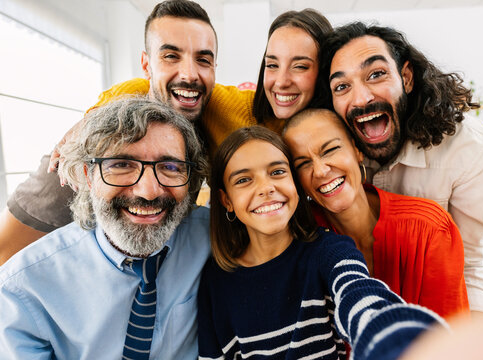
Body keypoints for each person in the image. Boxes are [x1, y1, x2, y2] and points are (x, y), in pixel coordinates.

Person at [0, 5, 332, 265]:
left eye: (203, 59)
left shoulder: (225, 109)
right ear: (147, 65)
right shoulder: (83, 155)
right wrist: (93, 118)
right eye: (170, 56)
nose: (189, 74)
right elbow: (6, 256)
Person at [198, 125, 445, 359]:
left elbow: (358, 294)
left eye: (277, 172)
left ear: (295, 183)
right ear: (226, 200)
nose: (266, 188)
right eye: (243, 180)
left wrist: (390, 335)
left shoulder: (330, 252)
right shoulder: (215, 280)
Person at [0, 97, 209, 358]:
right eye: (121, 165)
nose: (148, 191)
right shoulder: (22, 290)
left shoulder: (212, 237)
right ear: (88, 175)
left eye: (169, 167)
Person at [320, 22, 483, 315]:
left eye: (376, 74)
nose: (362, 98)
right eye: (342, 86)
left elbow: (468, 264)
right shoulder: (331, 150)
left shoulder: (471, 150)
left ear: (406, 78)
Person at [283, 108, 469, 319]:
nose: (320, 170)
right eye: (303, 164)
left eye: (330, 150)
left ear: (357, 151)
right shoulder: (299, 239)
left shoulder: (430, 228)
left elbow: (448, 340)